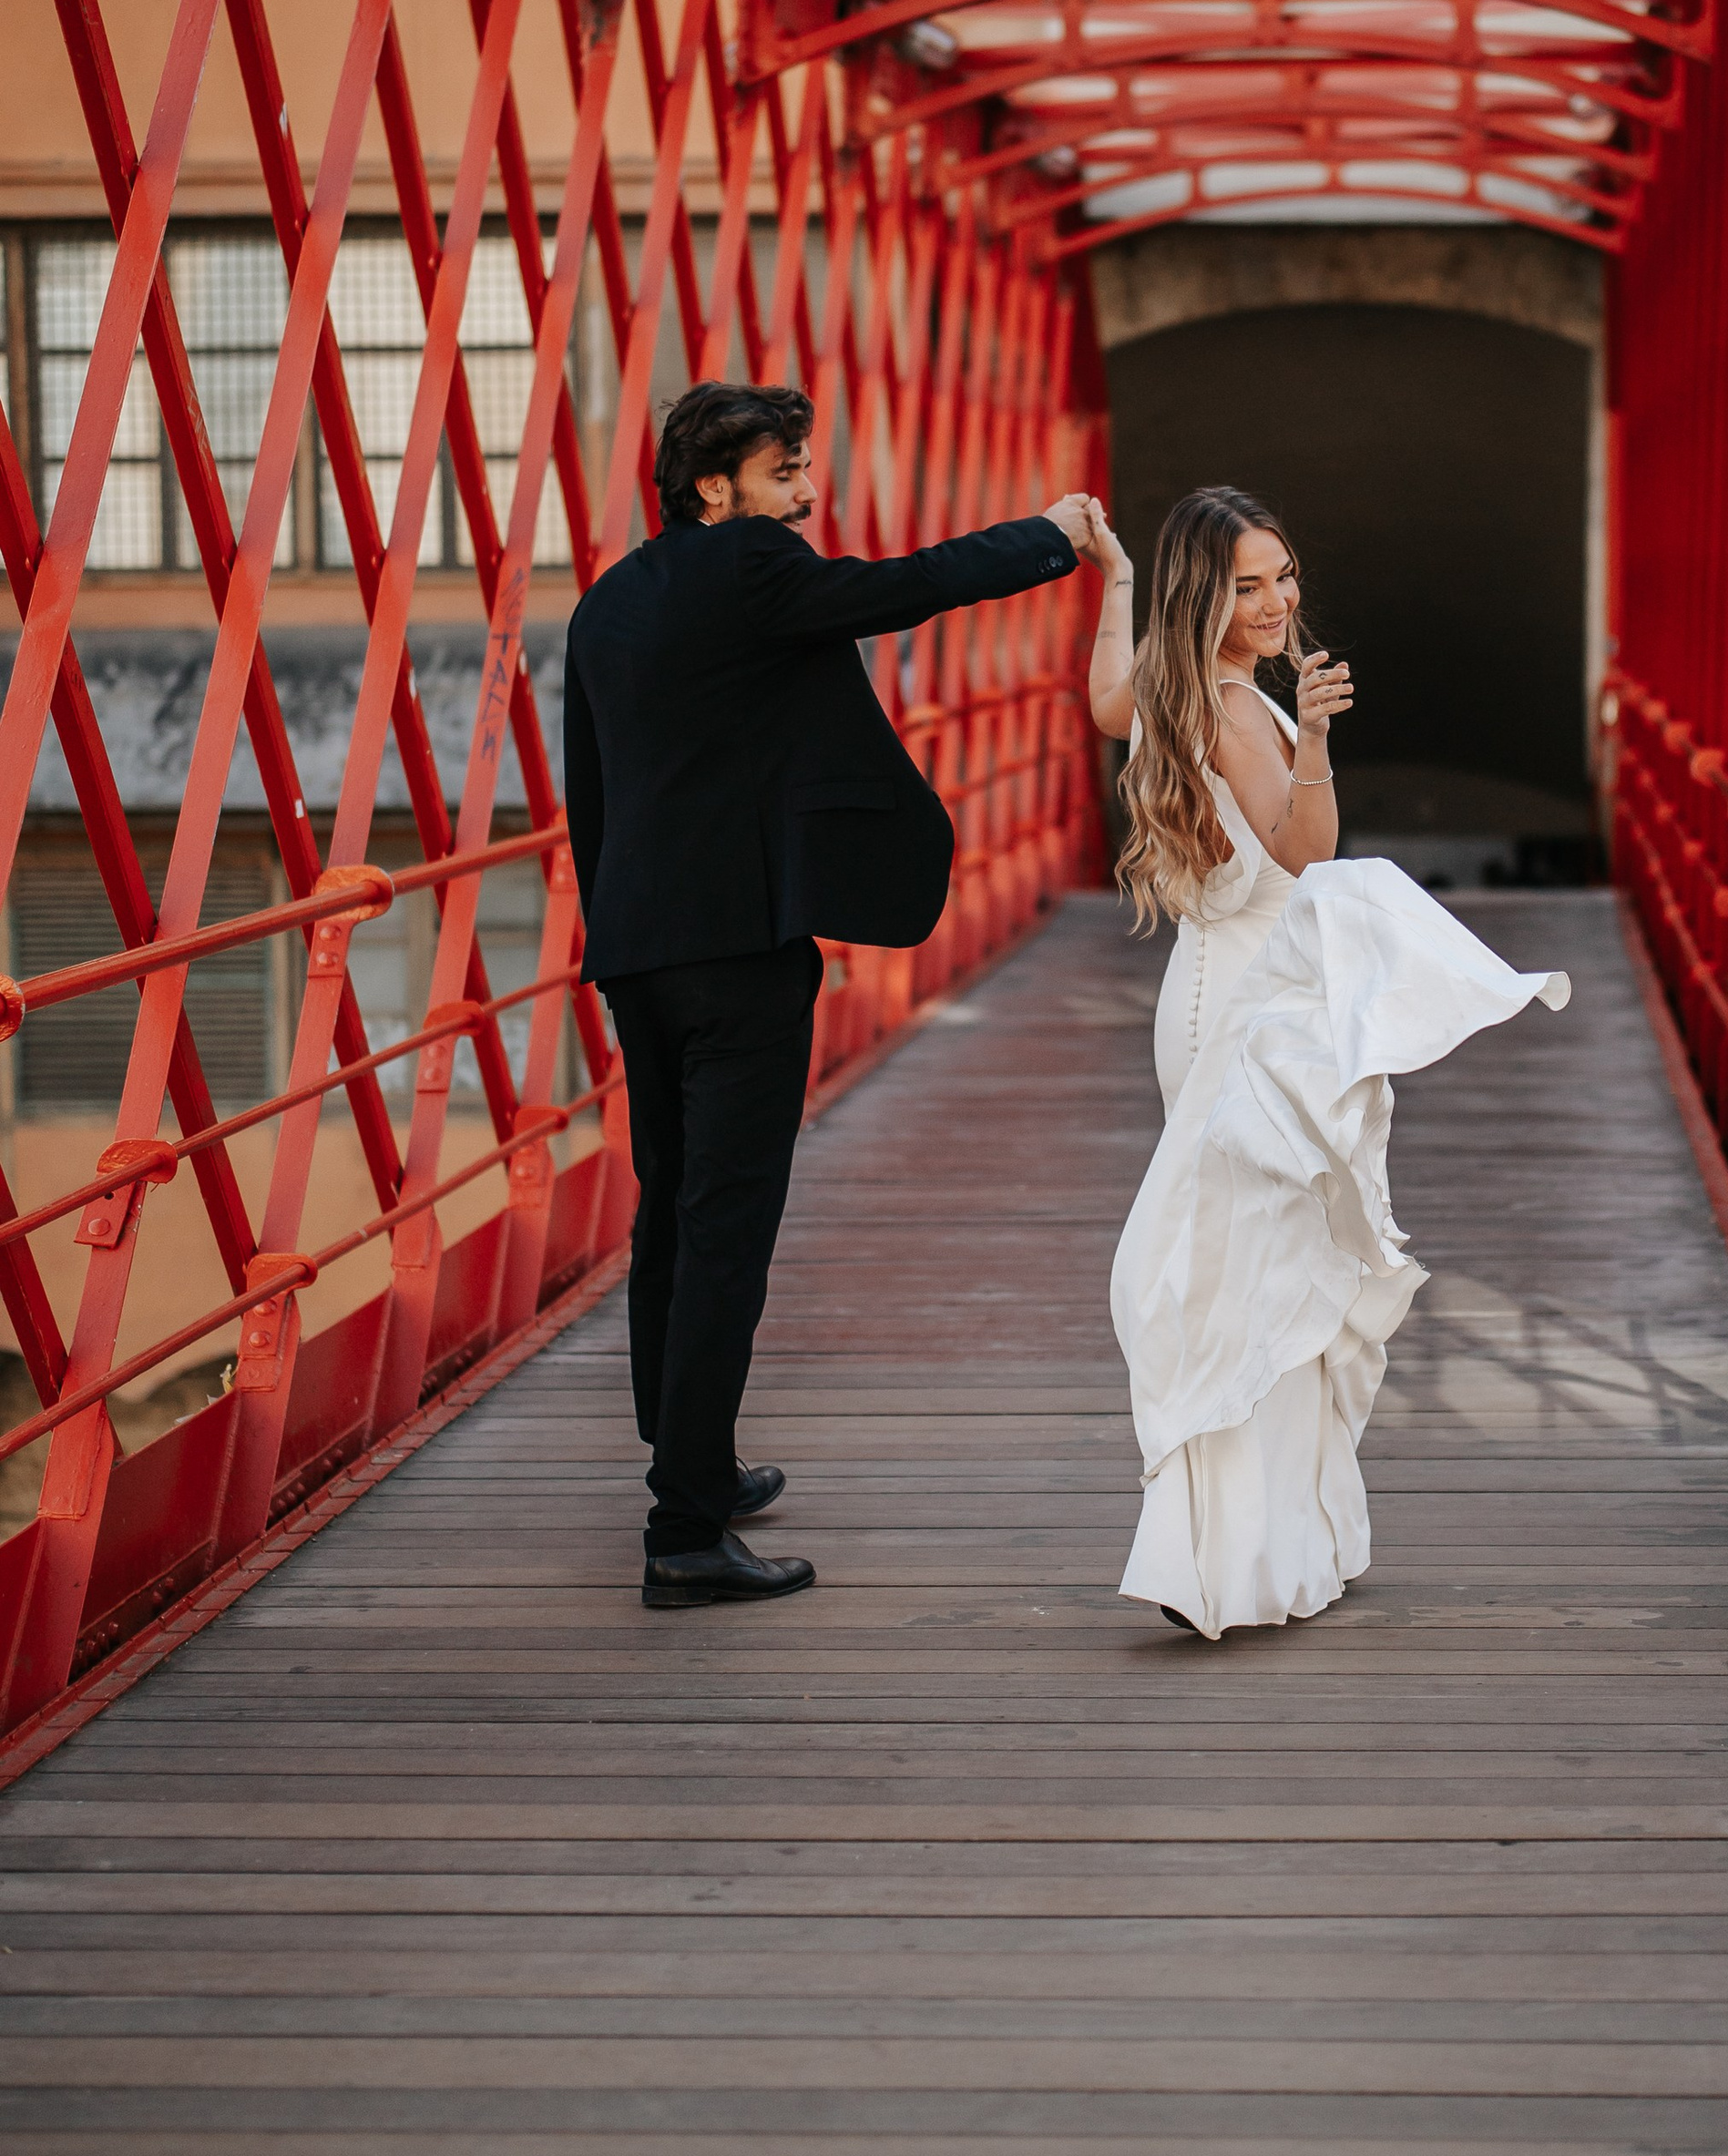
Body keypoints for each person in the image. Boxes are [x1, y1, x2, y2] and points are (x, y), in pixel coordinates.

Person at [563, 379, 1109, 1609]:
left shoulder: (607, 603)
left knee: (673, 1209)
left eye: (805, 471)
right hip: (742, 954)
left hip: (641, 949)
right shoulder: (752, 567)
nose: (807, 495)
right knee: (729, 1231)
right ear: (716, 489)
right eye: (785, 472)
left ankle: (686, 1457)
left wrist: (617, 930)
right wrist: (1052, 536)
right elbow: (899, 589)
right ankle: (685, 1535)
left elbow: (589, 791)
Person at [1086, 485, 1570, 1640]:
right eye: (1248, 585)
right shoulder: (1241, 712)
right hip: (1262, 1008)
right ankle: (1244, 1558)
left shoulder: (1161, 678)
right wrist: (1314, 736)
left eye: (1284, 576)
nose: (1276, 601)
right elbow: (1307, 856)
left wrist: (1113, 578)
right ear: (1206, 594)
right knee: (1272, 1280)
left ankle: (1260, 1544)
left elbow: (1106, 701)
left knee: (1246, 1275)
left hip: (1202, 999)